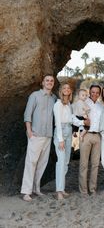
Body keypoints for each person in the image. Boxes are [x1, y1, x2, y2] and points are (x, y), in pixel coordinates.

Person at [21, 74, 56, 202]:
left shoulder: (54, 98)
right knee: (31, 163)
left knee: (42, 164)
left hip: (48, 136)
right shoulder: (34, 96)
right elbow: (27, 114)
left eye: (51, 81)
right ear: (42, 83)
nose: (49, 82)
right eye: (47, 80)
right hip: (36, 135)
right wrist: (29, 131)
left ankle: (36, 188)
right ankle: (26, 191)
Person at [53, 83, 84, 200]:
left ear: (70, 91)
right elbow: (57, 123)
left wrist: (83, 123)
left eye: (68, 88)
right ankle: (58, 191)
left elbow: (72, 119)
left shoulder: (68, 104)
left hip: (69, 131)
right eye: (64, 88)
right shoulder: (58, 104)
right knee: (60, 162)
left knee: (66, 162)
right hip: (61, 133)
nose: (66, 89)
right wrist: (60, 139)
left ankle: (62, 188)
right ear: (61, 91)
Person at [79, 84, 104, 195]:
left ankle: (92, 189)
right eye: (93, 92)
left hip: (97, 136)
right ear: (90, 92)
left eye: (97, 92)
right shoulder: (84, 103)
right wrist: (82, 127)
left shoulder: (100, 106)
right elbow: (76, 118)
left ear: (99, 94)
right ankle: (83, 190)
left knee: (95, 164)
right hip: (86, 135)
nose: (95, 94)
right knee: (84, 164)